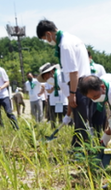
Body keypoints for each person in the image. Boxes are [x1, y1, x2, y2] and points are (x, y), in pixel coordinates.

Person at [36, 19, 91, 147]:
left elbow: (73, 72)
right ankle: (77, 150)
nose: (47, 41)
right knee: (79, 123)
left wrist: (72, 94)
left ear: (49, 34)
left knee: (81, 124)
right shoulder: (72, 38)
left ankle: (84, 153)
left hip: (78, 85)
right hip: (84, 83)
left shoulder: (65, 45)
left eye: (45, 38)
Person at [37, 63, 68, 128]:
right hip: (54, 101)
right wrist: (53, 88)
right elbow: (48, 90)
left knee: (65, 117)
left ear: (51, 72)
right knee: (53, 118)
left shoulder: (61, 75)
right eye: (44, 79)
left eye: (46, 77)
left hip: (64, 100)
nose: (46, 79)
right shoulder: (49, 81)